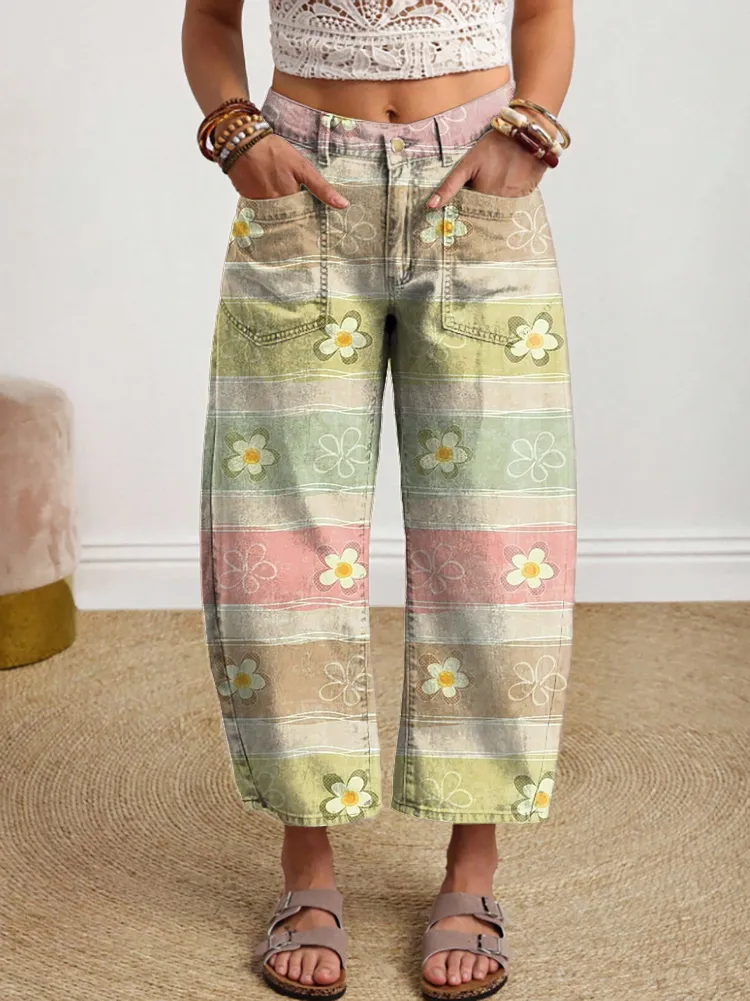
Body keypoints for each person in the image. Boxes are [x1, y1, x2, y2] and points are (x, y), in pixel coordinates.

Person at [183, 0, 576, 997]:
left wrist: (530, 127)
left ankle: (472, 866)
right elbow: (210, 19)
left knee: (494, 537)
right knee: (281, 537)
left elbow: (545, 11)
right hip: (302, 183)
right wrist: (237, 136)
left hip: (477, 175)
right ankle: (306, 863)